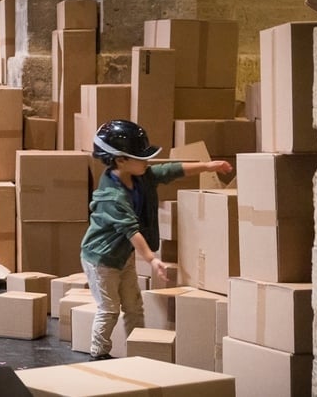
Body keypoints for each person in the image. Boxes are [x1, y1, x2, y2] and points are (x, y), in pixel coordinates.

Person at [80, 119, 233, 361]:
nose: (147, 162)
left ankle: (139, 349)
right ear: (121, 160)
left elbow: (169, 170)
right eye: (141, 158)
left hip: (122, 255)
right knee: (109, 309)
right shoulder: (112, 196)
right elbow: (131, 231)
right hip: (102, 259)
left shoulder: (142, 176)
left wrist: (207, 166)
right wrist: (152, 259)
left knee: (134, 305)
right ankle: (98, 354)